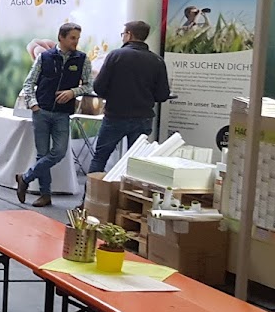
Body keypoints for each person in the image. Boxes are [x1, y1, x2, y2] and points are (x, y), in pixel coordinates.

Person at [14, 23, 93, 208]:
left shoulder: (82, 59)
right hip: (41, 111)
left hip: (62, 114)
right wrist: (33, 104)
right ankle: (45, 195)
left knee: (58, 152)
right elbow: (29, 82)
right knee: (42, 154)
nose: (76, 42)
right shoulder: (44, 57)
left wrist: (73, 92)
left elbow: (89, 85)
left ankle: (25, 178)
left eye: (77, 38)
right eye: (72, 38)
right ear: (61, 37)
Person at [87, 21, 171, 174]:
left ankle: (93, 189)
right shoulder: (157, 60)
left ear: (129, 35)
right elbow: (162, 94)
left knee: (100, 158)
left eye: (123, 34)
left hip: (115, 115)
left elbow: (99, 87)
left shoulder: (116, 55)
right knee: (136, 163)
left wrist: (112, 95)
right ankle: (129, 189)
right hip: (143, 118)